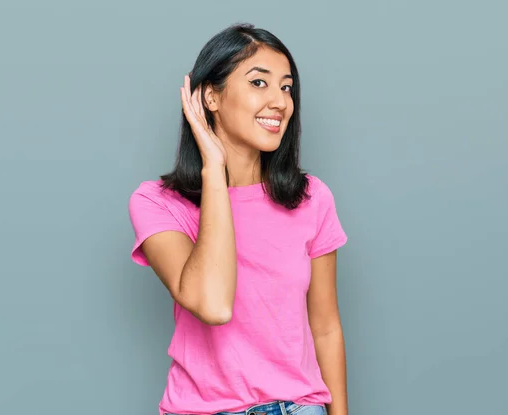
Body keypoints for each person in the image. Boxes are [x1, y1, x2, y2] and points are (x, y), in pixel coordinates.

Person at [128, 23, 348, 415]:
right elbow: (212, 305)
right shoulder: (158, 203)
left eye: (286, 87)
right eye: (259, 83)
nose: (280, 101)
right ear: (210, 97)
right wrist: (214, 169)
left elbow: (326, 327)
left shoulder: (312, 198)